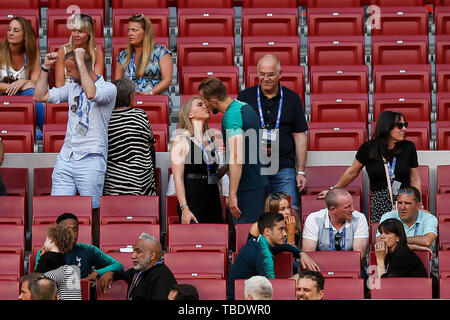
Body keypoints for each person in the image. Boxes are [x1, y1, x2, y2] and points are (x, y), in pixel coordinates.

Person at [33, 48, 117, 213]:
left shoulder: (109, 88)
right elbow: (39, 96)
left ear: (82, 68)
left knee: (92, 211)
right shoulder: (72, 87)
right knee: (59, 210)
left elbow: (91, 93)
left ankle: (92, 240)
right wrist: (45, 68)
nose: (68, 74)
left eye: (70, 71)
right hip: (67, 156)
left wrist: (80, 62)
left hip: (91, 157)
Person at [318, 111, 421, 223]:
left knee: (406, 235)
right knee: (383, 236)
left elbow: (415, 179)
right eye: (400, 125)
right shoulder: (368, 148)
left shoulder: (408, 147)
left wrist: (419, 204)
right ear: (387, 126)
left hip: (404, 201)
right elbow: (352, 172)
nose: (404, 129)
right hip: (380, 202)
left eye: (405, 125)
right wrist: (333, 190)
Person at [237, 54, 308, 214]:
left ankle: (290, 240)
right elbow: (237, 134)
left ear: (280, 74)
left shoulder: (292, 98)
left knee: (290, 211)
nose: (265, 78)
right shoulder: (244, 98)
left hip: (283, 167)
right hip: (254, 168)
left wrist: (301, 171)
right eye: (262, 74)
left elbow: (299, 136)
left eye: (270, 74)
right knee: (255, 212)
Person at [199, 77, 269, 224]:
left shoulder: (230, 117)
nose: (204, 106)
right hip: (259, 182)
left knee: (246, 237)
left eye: (204, 101)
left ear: (213, 101)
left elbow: (237, 157)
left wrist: (232, 194)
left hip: (247, 187)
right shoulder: (245, 107)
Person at [227, 211, 319, 300]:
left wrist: (301, 253)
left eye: (284, 229)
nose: (285, 233)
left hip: (247, 292)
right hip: (241, 298)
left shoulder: (259, 240)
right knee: (302, 279)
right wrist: (293, 283)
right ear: (267, 231)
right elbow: (272, 290)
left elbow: (283, 246)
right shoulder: (264, 255)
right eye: (281, 229)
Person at [170, 96, 223, 224]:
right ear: (190, 113)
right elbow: (178, 178)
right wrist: (184, 208)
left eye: (205, 104)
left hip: (213, 198)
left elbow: (213, 175)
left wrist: (230, 164)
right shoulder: (180, 140)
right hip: (193, 198)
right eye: (200, 104)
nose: (205, 106)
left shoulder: (212, 139)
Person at [35, 213, 124, 285]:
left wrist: (97, 273)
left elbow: (118, 265)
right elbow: (36, 280)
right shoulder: (45, 253)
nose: (72, 233)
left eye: (75, 229)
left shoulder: (88, 250)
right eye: (67, 229)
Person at [103, 78, 157, 195]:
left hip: (112, 183)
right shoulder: (140, 114)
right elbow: (149, 142)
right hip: (141, 182)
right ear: (130, 97)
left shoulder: (105, 118)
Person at [114, 14, 173, 111]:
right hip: (129, 104)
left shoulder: (161, 51)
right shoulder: (122, 56)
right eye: (128, 30)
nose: (130, 33)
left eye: (134, 30)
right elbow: (118, 84)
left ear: (145, 33)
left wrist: (149, 94)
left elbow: (167, 80)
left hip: (155, 102)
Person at [100, 233, 177, 300]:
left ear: (152, 255)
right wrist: (110, 273)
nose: (133, 256)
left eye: (138, 251)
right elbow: (122, 274)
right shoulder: (140, 270)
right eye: (134, 251)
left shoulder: (163, 277)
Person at [302, 187, 369, 262]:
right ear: (333, 209)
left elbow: (359, 256)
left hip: (351, 267)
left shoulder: (359, 218)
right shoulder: (313, 219)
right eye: (347, 207)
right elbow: (308, 256)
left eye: (352, 204)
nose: (352, 209)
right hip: (320, 267)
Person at [0, 17, 44, 129]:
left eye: (16, 30)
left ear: (25, 35)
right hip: (2, 93)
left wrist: (22, 82)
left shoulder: (33, 52)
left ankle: (46, 134)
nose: (10, 33)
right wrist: (17, 86)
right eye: (9, 29)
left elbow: (35, 82)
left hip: (23, 93)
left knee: (35, 95)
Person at [376, 186, 438, 254]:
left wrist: (397, 240)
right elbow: (379, 242)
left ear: (418, 206)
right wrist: (415, 247)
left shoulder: (429, 218)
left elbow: (427, 240)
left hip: (422, 261)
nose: (402, 207)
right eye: (399, 203)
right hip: (394, 261)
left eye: (407, 203)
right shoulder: (388, 216)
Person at [55, 13, 104, 88]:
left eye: (80, 31)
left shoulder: (97, 52)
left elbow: (97, 83)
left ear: (89, 33)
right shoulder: (62, 51)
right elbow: (59, 84)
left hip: (89, 93)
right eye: (74, 30)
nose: (76, 35)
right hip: (66, 94)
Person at [35, 224, 82, 300]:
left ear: (52, 240)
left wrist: (41, 257)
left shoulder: (46, 257)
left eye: (46, 240)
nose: (44, 243)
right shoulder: (63, 258)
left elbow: (36, 275)